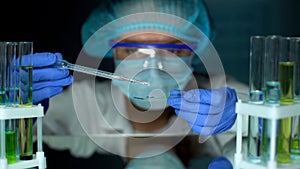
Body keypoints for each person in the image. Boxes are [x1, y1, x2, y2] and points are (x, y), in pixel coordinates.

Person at [31, 0, 248, 168]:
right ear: (113, 52)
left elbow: (277, 121)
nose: (153, 66)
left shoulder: (219, 97)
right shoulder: (87, 105)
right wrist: (16, 106)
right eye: (134, 50)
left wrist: (244, 114)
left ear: (194, 53)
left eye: (172, 50)